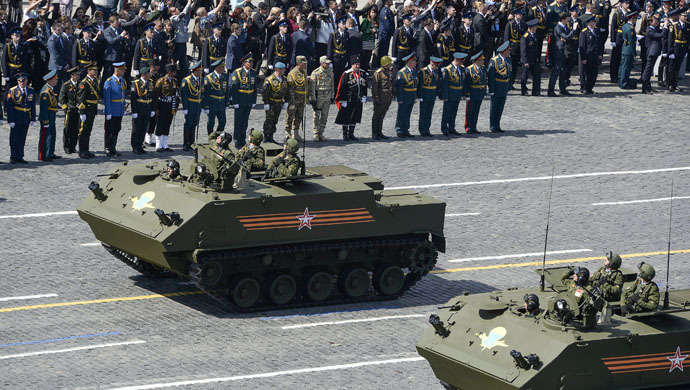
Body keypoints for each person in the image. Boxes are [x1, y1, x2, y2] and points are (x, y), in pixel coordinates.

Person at [335, 54, 367, 141]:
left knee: (355, 116)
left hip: (358, 99)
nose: (357, 66)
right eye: (355, 64)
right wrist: (343, 100)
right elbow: (342, 87)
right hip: (349, 99)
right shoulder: (347, 74)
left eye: (358, 64)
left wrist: (364, 95)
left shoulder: (362, 73)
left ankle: (351, 133)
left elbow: (364, 85)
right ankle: (345, 134)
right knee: (346, 116)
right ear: (352, 65)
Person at [5, 73, 35, 164]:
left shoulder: (30, 90)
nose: (22, 82)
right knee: (14, 138)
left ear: (27, 81)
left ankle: (20, 155)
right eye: (20, 81)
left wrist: (33, 118)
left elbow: (32, 105)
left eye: (24, 80)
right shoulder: (12, 91)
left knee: (22, 137)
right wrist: (10, 120)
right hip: (16, 116)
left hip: (25, 117)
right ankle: (13, 156)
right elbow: (9, 106)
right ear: (18, 81)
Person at [230, 53, 258, 149]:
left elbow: (255, 88)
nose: (251, 63)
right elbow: (234, 88)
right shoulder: (237, 72)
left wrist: (254, 100)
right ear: (244, 63)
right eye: (249, 62)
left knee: (245, 121)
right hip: (240, 99)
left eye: (252, 62)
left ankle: (242, 139)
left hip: (249, 100)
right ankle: (237, 140)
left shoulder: (253, 72)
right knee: (238, 121)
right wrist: (235, 102)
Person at [589, 251, 624, 323]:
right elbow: (591, 279)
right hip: (596, 292)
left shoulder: (617, 275)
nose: (605, 259)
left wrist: (605, 284)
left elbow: (616, 291)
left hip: (606, 297)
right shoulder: (602, 269)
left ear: (612, 263)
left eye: (608, 259)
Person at [548, 12, 576, 96]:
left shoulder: (564, 27)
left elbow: (567, 38)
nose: (569, 19)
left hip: (564, 51)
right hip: (559, 52)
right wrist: (573, 30)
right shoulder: (558, 27)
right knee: (556, 71)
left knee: (563, 71)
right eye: (567, 18)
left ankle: (562, 89)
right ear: (563, 19)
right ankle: (551, 90)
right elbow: (566, 37)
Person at [102, 61, 126, 157]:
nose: (124, 72)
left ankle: (113, 147)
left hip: (119, 110)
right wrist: (108, 111)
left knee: (117, 129)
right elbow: (106, 98)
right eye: (122, 70)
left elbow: (123, 95)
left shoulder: (122, 80)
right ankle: (107, 147)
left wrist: (123, 107)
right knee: (109, 130)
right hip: (112, 109)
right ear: (117, 70)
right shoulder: (109, 82)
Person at [154, 63, 179, 151]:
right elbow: (156, 95)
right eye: (174, 72)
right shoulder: (161, 81)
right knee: (160, 123)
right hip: (162, 104)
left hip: (170, 104)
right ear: (169, 72)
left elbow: (176, 94)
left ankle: (164, 144)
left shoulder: (175, 81)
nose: (175, 74)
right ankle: (158, 144)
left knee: (167, 123)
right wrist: (156, 108)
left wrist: (176, 106)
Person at [77, 62, 100, 159]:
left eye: (96, 70)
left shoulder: (94, 80)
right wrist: (82, 112)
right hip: (86, 109)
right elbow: (81, 99)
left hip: (92, 108)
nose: (96, 72)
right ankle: (82, 151)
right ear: (88, 71)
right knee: (83, 131)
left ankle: (86, 150)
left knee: (88, 130)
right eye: (94, 70)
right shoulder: (84, 83)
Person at [308, 56, 334, 142]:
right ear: (322, 63)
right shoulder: (316, 73)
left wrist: (332, 96)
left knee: (325, 116)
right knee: (316, 116)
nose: (328, 64)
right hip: (319, 96)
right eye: (326, 63)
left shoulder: (330, 72)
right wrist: (313, 99)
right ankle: (316, 133)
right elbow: (312, 87)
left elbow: (332, 85)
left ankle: (321, 133)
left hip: (327, 95)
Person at [440, 52, 466, 136]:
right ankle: (444, 128)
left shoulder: (461, 69)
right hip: (450, 93)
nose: (462, 63)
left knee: (454, 112)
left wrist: (462, 94)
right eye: (461, 61)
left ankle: (452, 127)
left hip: (457, 93)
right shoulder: (447, 69)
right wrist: (445, 96)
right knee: (446, 112)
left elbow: (462, 81)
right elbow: (445, 84)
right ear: (456, 60)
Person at [130, 66, 154, 155]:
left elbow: (152, 97)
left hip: (147, 108)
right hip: (139, 108)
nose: (149, 75)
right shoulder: (136, 84)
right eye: (148, 74)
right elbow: (133, 99)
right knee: (137, 128)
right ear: (143, 75)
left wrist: (152, 109)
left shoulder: (150, 83)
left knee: (144, 128)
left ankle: (140, 145)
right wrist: (134, 111)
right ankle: (135, 146)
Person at [262, 61, 288, 143]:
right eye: (283, 69)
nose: (285, 70)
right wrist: (266, 103)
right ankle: (266, 136)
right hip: (271, 103)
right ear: (278, 70)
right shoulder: (269, 79)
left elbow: (286, 90)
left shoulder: (284, 79)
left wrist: (286, 101)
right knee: (269, 120)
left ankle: (271, 136)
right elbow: (264, 92)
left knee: (275, 120)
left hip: (279, 103)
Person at [180, 61, 204, 152]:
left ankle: (192, 142)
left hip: (198, 105)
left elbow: (202, 93)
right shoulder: (187, 80)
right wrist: (185, 107)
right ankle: (185, 143)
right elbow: (184, 95)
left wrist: (202, 105)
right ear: (195, 71)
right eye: (200, 71)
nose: (201, 72)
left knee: (194, 123)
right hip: (190, 105)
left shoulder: (201, 80)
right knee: (188, 124)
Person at [37, 70, 61, 162]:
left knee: (52, 134)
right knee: (45, 136)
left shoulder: (51, 89)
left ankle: (50, 153)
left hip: (52, 114)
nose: (57, 81)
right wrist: (45, 120)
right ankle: (43, 155)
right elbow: (43, 109)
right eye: (55, 79)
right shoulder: (45, 92)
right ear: (50, 80)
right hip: (47, 116)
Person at [487, 42, 511, 133]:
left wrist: (509, 86)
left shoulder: (508, 60)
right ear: (504, 51)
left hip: (504, 87)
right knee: (494, 107)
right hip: (497, 86)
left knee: (500, 107)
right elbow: (491, 76)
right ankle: (492, 125)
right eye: (508, 50)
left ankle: (497, 124)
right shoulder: (494, 61)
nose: (509, 52)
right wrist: (491, 89)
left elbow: (509, 74)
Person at [284, 55, 309, 142]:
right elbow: (290, 89)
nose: (306, 65)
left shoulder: (304, 72)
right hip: (294, 99)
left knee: (299, 116)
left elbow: (306, 85)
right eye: (304, 63)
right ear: (300, 64)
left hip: (302, 99)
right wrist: (291, 101)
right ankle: (288, 133)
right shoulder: (292, 74)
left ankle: (296, 133)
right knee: (290, 116)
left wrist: (307, 97)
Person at [642, 16, 669, 93]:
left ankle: (648, 86)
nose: (656, 21)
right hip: (652, 52)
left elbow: (662, 31)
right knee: (647, 71)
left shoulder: (654, 29)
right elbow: (661, 35)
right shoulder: (649, 30)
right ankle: (645, 88)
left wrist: (665, 26)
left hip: (655, 52)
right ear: (650, 22)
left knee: (649, 71)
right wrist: (666, 27)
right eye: (655, 20)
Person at [203, 59, 230, 136]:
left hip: (221, 103)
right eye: (221, 67)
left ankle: (218, 136)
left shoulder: (225, 76)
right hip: (212, 103)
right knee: (211, 123)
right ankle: (210, 137)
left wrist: (227, 103)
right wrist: (206, 106)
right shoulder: (208, 78)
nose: (223, 68)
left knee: (222, 122)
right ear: (216, 68)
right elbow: (206, 94)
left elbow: (227, 91)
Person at [416, 56, 441, 137]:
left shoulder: (436, 71)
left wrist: (437, 94)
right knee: (423, 113)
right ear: (431, 63)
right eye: (436, 65)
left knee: (429, 113)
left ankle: (427, 129)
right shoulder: (422, 71)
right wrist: (419, 96)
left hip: (432, 95)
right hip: (425, 94)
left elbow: (437, 84)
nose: (437, 67)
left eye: (438, 66)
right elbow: (420, 85)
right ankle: (422, 130)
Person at [395, 53, 417, 138]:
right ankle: (399, 130)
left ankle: (405, 129)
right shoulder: (402, 72)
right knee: (401, 114)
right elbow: (399, 87)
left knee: (408, 114)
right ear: (409, 62)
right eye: (414, 61)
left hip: (411, 96)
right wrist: (399, 98)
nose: (415, 63)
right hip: (404, 96)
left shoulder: (414, 71)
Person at [59, 66, 81, 155]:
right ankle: (66, 147)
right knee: (67, 129)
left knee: (75, 130)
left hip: (77, 110)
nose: (78, 76)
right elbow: (61, 99)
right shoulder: (66, 85)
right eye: (77, 75)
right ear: (72, 75)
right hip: (69, 110)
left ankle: (73, 146)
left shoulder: (80, 84)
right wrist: (65, 109)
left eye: (79, 74)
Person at [370, 55, 393, 140]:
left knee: (382, 115)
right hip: (381, 96)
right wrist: (376, 98)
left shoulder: (389, 71)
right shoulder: (378, 73)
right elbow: (375, 87)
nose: (390, 65)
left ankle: (379, 132)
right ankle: (375, 133)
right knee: (376, 115)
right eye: (389, 63)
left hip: (387, 97)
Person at [666, 9, 689, 92]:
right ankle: (670, 84)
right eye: (684, 16)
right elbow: (670, 40)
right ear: (679, 16)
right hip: (675, 48)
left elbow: (688, 39)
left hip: (682, 48)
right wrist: (670, 52)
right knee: (672, 67)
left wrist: (686, 50)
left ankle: (675, 84)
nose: (685, 17)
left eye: (686, 16)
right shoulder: (674, 25)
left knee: (678, 67)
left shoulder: (687, 25)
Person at [464, 51, 486, 134]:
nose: (483, 61)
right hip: (472, 92)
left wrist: (484, 91)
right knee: (470, 111)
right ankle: (468, 127)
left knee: (476, 111)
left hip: (479, 92)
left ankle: (473, 126)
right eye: (482, 60)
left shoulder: (483, 68)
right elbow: (467, 83)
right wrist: (467, 94)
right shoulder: (469, 69)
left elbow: (484, 81)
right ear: (477, 60)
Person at [579, 15, 601, 95]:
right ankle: (584, 87)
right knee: (585, 73)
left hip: (594, 55)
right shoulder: (584, 32)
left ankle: (590, 88)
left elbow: (599, 43)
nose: (596, 22)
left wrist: (600, 53)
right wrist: (583, 58)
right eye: (594, 21)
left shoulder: (596, 31)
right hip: (587, 56)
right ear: (590, 23)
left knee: (594, 73)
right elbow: (582, 46)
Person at [609, 0, 629, 83]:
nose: (627, 5)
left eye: (628, 3)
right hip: (618, 37)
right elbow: (613, 27)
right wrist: (612, 40)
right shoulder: (617, 14)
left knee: (622, 58)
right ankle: (613, 76)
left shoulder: (628, 14)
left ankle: (620, 75)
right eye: (626, 3)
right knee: (615, 58)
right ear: (621, 4)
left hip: (625, 38)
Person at [328, 16, 350, 92]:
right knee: (335, 77)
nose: (344, 25)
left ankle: (340, 92)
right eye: (343, 23)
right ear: (338, 25)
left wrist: (347, 60)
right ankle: (333, 93)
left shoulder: (347, 34)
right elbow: (330, 48)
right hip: (336, 58)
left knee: (342, 76)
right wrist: (329, 61)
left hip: (343, 58)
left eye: (345, 23)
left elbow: (347, 48)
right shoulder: (334, 34)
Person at [618, 10, 639, 89]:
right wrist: (634, 54)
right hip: (628, 50)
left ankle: (620, 81)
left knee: (622, 66)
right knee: (626, 68)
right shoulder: (630, 28)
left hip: (625, 48)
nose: (635, 20)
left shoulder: (625, 26)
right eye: (635, 19)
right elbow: (631, 42)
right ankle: (624, 83)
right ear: (631, 19)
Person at [520, 19, 541, 96]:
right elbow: (523, 50)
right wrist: (525, 61)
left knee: (537, 75)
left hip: (534, 59)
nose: (536, 28)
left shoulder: (534, 35)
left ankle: (536, 91)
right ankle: (524, 90)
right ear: (531, 27)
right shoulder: (525, 37)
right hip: (527, 60)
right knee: (525, 76)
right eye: (535, 27)